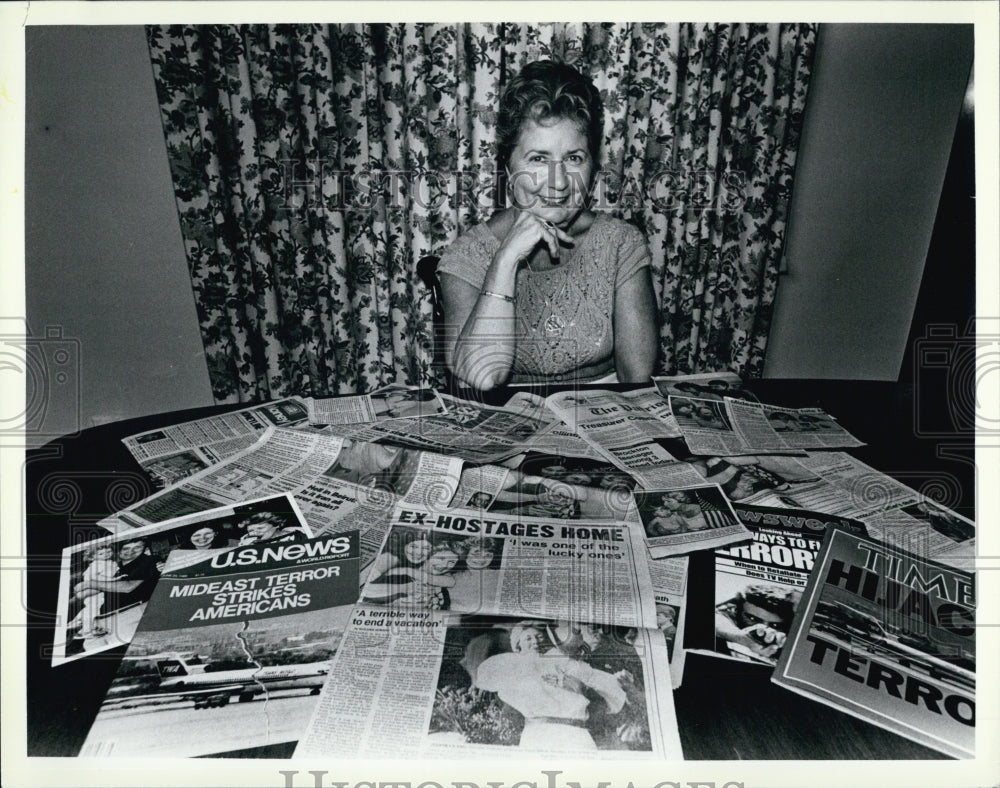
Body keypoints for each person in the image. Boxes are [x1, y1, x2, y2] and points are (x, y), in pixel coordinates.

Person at [438, 60, 658, 390]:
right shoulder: (466, 256)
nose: (559, 182)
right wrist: (505, 260)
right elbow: (482, 377)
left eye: (573, 158)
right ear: (509, 169)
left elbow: (637, 378)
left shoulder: (620, 243)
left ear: (592, 167)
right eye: (538, 159)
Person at [475, 621, 629, 751]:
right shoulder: (513, 665)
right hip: (539, 733)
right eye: (528, 638)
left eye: (539, 637)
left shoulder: (565, 663)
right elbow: (484, 675)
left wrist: (614, 681)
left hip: (576, 734)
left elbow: (601, 682)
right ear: (518, 645)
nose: (535, 642)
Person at [72, 538, 161, 616]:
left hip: (133, 612)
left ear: (145, 548)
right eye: (126, 548)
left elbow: (128, 587)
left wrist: (89, 584)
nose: (131, 551)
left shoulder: (148, 561)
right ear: (118, 551)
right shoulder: (115, 565)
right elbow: (106, 586)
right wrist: (82, 594)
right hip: (106, 614)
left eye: (137, 547)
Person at [715, 584, 800, 663]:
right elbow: (717, 620)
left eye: (775, 625)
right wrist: (743, 639)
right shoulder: (727, 615)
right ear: (737, 611)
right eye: (752, 619)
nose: (763, 628)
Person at [235, 512, 305, 545]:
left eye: (260, 528)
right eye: (251, 531)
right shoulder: (250, 542)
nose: (256, 532)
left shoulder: (299, 535)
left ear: (276, 525)